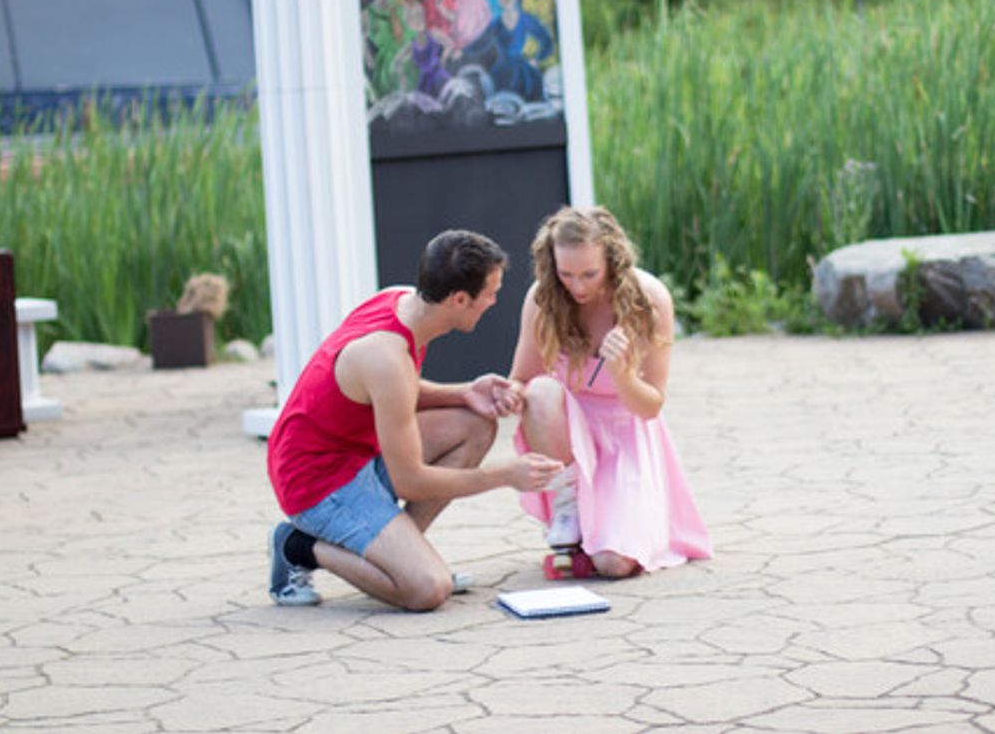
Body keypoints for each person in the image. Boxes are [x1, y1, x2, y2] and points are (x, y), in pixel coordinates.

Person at [266, 230, 563, 611]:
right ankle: (298, 546)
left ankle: (400, 555)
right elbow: (410, 480)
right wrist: (504, 475)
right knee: (427, 589)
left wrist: (465, 392)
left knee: (475, 424)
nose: (493, 302)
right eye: (490, 294)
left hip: (356, 453)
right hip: (317, 482)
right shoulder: (385, 356)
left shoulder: (401, 302)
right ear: (459, 299)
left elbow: (393, 392)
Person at [509, 206, 713, 578]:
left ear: (613, 261)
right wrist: (500, 394)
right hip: (567, 430)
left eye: (590, 274)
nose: (578, 287)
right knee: (539, 391)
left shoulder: (649, 299)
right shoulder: (544, 298)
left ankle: (601, 533)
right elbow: (522, 379)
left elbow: (651, 406)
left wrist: (622, 374)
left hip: (626, 429)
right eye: (566, 274)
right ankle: (568, 503)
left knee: (613, 564)